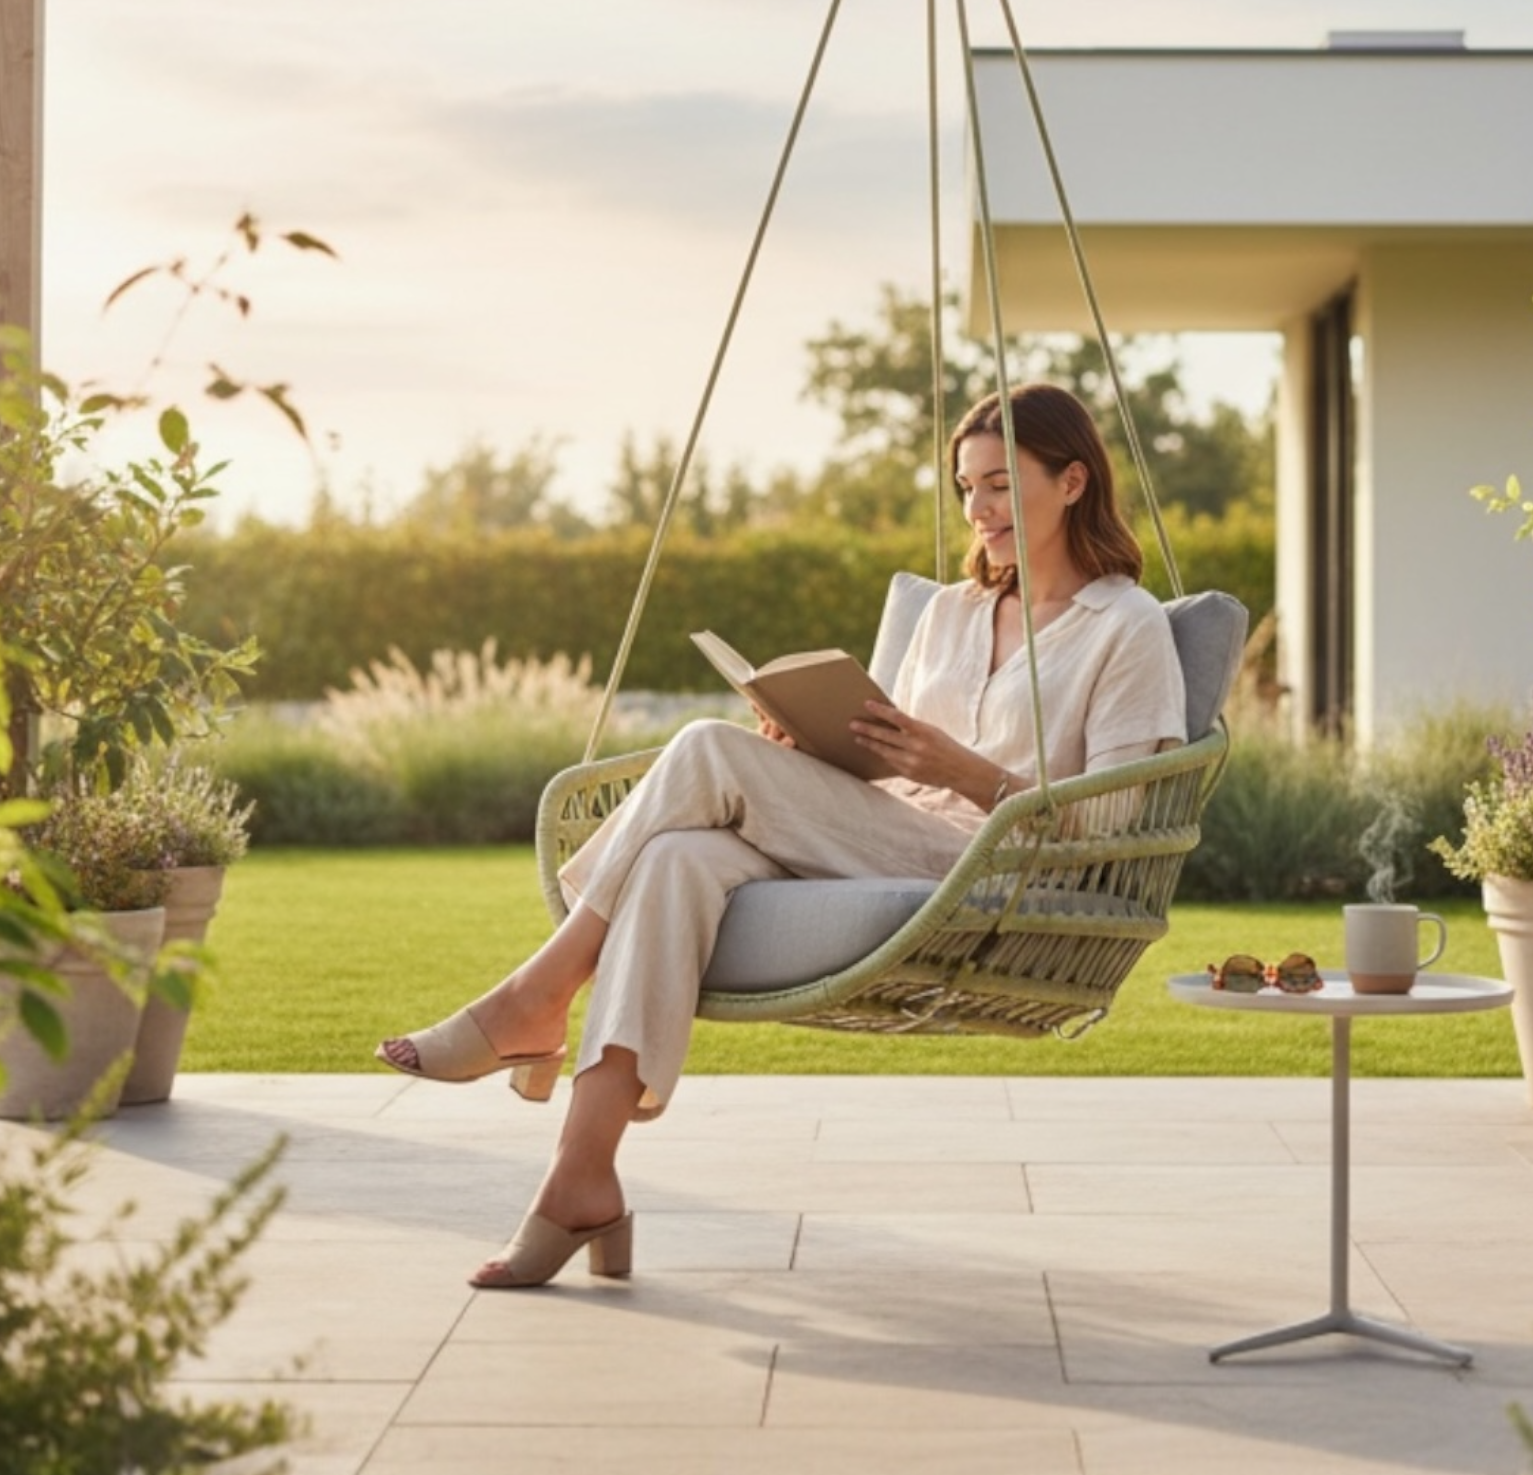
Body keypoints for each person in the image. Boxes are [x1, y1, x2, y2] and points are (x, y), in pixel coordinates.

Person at [375, 382, 1188, 1288]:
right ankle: (580, 1181)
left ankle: (536, 995)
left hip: (993, 863)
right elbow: (888, 762)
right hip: (892, 832)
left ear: (1072, 481)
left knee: (703, 750)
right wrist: (814, 747)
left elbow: (1117, 821)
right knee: (679, 858)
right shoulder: (951, 614)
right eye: (966, 488)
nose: (978, 510)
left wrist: (963, 770)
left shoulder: (1126, 627)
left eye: (1000, 485)